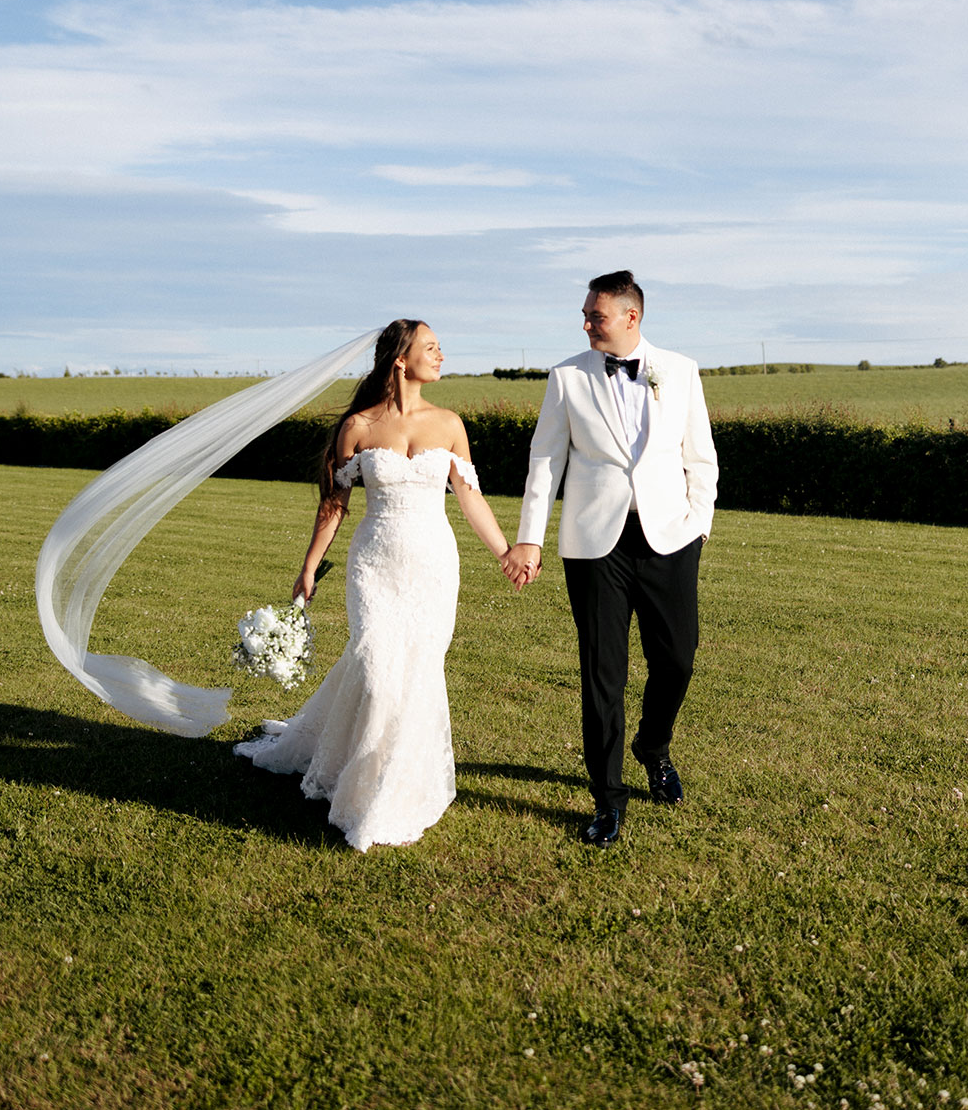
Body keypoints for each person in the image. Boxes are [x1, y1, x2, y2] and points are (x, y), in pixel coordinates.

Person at [235, 319, 520, 851]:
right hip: (376, 565)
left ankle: (392, 786)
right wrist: (307, 568)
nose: (441, 354)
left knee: (416, 672)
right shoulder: (359, 427)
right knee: (373, 664)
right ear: (400, 359)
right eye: (430, 347)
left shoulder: (450, 423)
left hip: (434, 564)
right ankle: (357, 776)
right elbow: (334, 505)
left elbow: (470, 497)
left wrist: (505, 552)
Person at [502, 272, 718, 848]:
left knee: (678, 659)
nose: (586, 323)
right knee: (603, 674)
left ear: (631, 317)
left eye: (595, 315)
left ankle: (653, 745)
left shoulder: (681, 370)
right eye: (585, 314)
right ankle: (608, 800)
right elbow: (544, 461)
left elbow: (702, 458)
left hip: (670, 539)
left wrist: (699, 525)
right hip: (594, 546)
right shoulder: (566, 377)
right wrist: (531, 538)